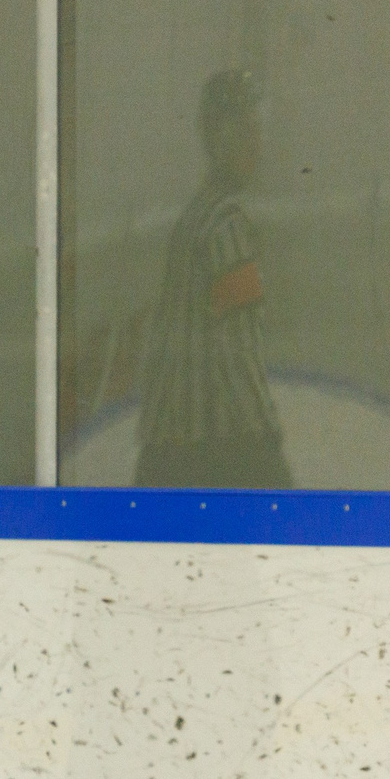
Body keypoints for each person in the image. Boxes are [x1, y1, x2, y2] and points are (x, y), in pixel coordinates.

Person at [133, 69, 294, 489]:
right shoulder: (227, 228)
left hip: (165, 454)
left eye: (257, 131)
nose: (256, 146)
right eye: (246, 132)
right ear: (220, 140)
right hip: (214, 452)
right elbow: (238, 352)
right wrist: (267, 441)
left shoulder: (192, 221)